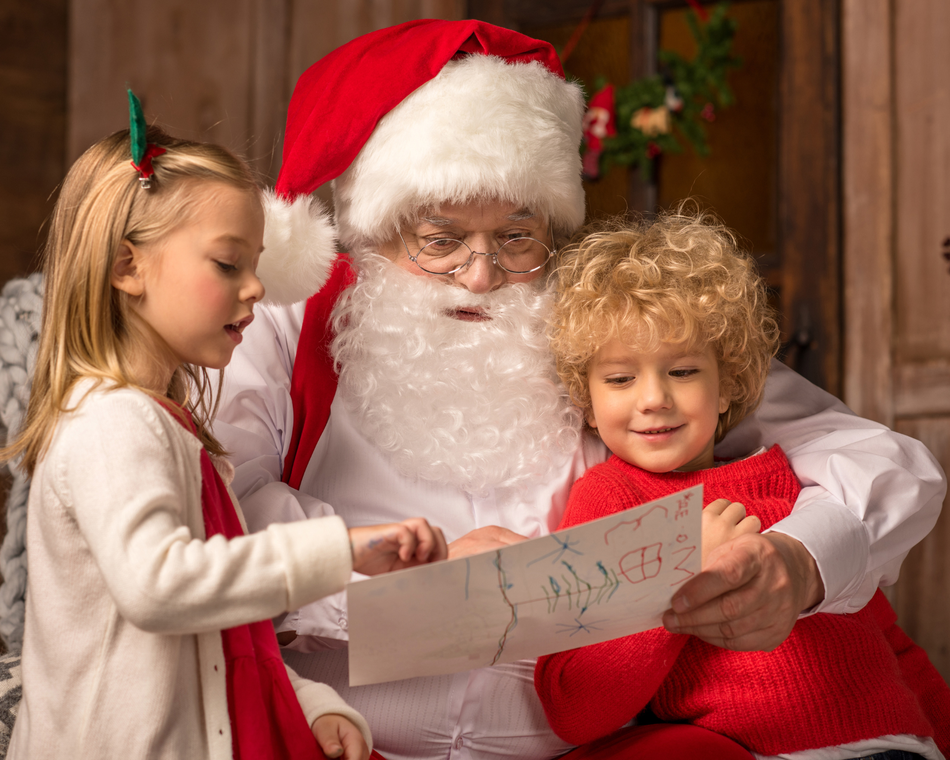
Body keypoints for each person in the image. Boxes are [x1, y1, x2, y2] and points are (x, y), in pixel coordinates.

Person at [213, 18, 946, 760]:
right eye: (440, 241)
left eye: (516, 237)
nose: (481, 275)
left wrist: (801, 560)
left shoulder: (606, 327)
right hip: (340, 736)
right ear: (377, 230)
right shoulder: (286, 321)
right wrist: (388, 571)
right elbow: (222, 511)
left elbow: (880, 458)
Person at [2, 123, 448, 760]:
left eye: (257, 264)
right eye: (226, 262)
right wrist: (337, 550)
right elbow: (160, 586)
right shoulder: (113, 424)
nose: (258, 287)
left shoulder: (177, 434)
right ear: (129, 265)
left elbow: (216, 633)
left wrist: (308, 703)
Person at [534, 211, 950, 760]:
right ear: (586, 404)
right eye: (619, 378)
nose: (654, 397)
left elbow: (887, 638)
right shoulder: (608, 501)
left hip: (900, 747)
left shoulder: (792, 477)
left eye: (682, 371)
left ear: (728, 385)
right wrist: (674, 570)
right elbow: (576, 706)